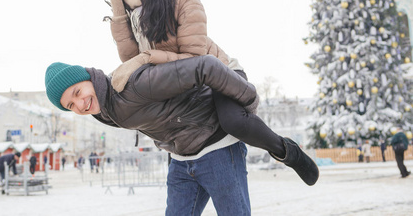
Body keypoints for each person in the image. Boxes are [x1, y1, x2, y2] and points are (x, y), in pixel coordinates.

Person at [105, 0, 302, 184]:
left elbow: (194, 59)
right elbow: (131, 60)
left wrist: (147, 58)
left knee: (233, 121)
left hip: (220, 72)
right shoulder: (133, 13)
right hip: (187, 82)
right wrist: (119, 12)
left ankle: (288, 151)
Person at [45, 55, 319, 215]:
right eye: (71, 105)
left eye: (78, 93)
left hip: (218, 148)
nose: (79, 104)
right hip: (181, 161)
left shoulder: (132, 86)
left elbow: (206, 67)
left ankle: (288, 152)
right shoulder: (103, 110)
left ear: (86, 78)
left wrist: (248, 99)